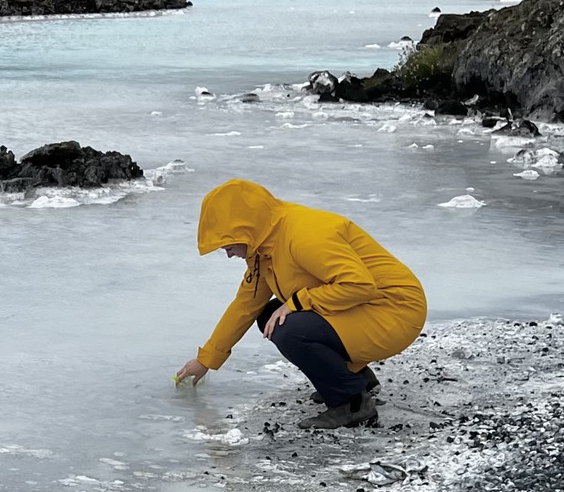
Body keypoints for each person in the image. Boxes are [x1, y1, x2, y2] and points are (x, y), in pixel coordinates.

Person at [175, 177, 426, 430]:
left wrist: (298, 301)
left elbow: (359, 285)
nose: (229, 254)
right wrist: (206, 359)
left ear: (246, 230)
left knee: (289, 328)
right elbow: (245, 305)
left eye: (228, 246)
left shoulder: (304, 235)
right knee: (270, 314)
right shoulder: (264, 248)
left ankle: (352, 403)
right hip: (365, 308)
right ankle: (353, 379)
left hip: (394, 311)